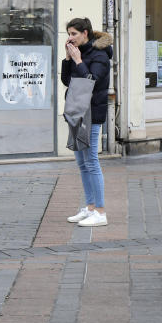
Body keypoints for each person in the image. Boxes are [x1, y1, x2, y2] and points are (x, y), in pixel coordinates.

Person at [60, 17, 113, 227]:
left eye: (74, 34)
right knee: (81, 163)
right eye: (69, 34)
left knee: (91, 161)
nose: (70, 38)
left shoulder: (100, 55)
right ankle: (90, 207)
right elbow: (67, 80)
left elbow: (91, 81)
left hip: (91, 112)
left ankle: (100, 212)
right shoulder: (77, 52)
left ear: (85, 33)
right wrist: (68, 59)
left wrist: (79, 61)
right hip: (76, 110)